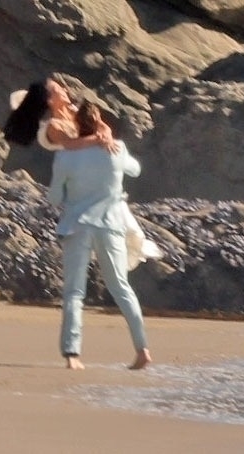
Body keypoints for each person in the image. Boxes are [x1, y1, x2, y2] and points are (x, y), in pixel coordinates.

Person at [4, 77, 162, 270]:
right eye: (57, 90)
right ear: (49, 100)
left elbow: (101, 125)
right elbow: (71, 145)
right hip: (79, 176)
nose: (64, 90)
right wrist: (98, 139)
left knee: (123, 226)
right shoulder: (54, 125)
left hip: (97, 171)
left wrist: (105, 136)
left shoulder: (74, 111)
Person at [47, 100, 152, 370]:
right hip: (111, 224)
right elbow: (136, 170)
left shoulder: (65, 156)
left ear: (75, 126)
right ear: (99, 122)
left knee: (74, 293)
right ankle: (142, 349)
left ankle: (72, 355)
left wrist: (69, 193)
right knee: (121, 288)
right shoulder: (117, 150)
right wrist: (108, 138)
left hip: (77, 224)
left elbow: (54, 197)